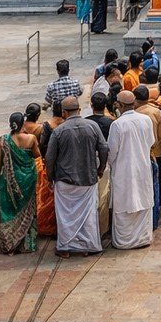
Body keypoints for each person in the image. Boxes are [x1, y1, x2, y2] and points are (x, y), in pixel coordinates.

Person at [44, 96, 106, 257]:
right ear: (79, 109)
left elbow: (49, 158)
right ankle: (88, 246)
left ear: (64, 112)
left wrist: (50, 177)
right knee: (87, 214)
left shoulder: (59, 131)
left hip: (65, 180)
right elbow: (104, 148)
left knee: (66, 215)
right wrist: (101, 168)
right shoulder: (92, 126)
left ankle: (66, 248)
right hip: (88, 177)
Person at [106, 90, 156, 249]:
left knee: (125, 202)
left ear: (119, 105)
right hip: (142, 167)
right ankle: (142, 238)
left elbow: (111, 152)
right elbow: (151, 142)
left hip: (123, 171)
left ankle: (126, 242)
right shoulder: (145, 120)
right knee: (141, 199)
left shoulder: (117, 124)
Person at [0, 111, 41, 255]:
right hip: (28, 180)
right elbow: (37, 155)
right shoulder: (31, 139)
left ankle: (9, 244)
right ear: (22, 124)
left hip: (9, 181)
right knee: (29, 209)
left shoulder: (3, 140)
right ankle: (28, 244)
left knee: (8, 210)